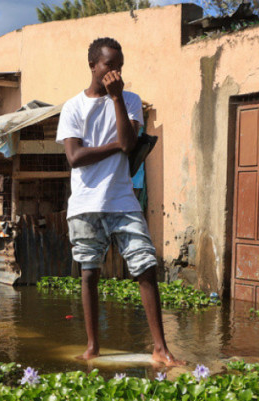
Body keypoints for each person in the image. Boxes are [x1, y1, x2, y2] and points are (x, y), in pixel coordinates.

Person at [56, 37, 182, 367]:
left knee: (146, 267)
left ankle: (160, 347)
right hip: (85, 203)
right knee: (89, 273)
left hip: (122, 200)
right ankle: (93, 346)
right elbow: (74, 157)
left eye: (120, 67)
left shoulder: (130, 100)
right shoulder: (73, 107)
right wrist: (115, 146)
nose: (115, 72)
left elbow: (129, 143)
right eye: (110, 66)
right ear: (93, 66)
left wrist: (116, 100)